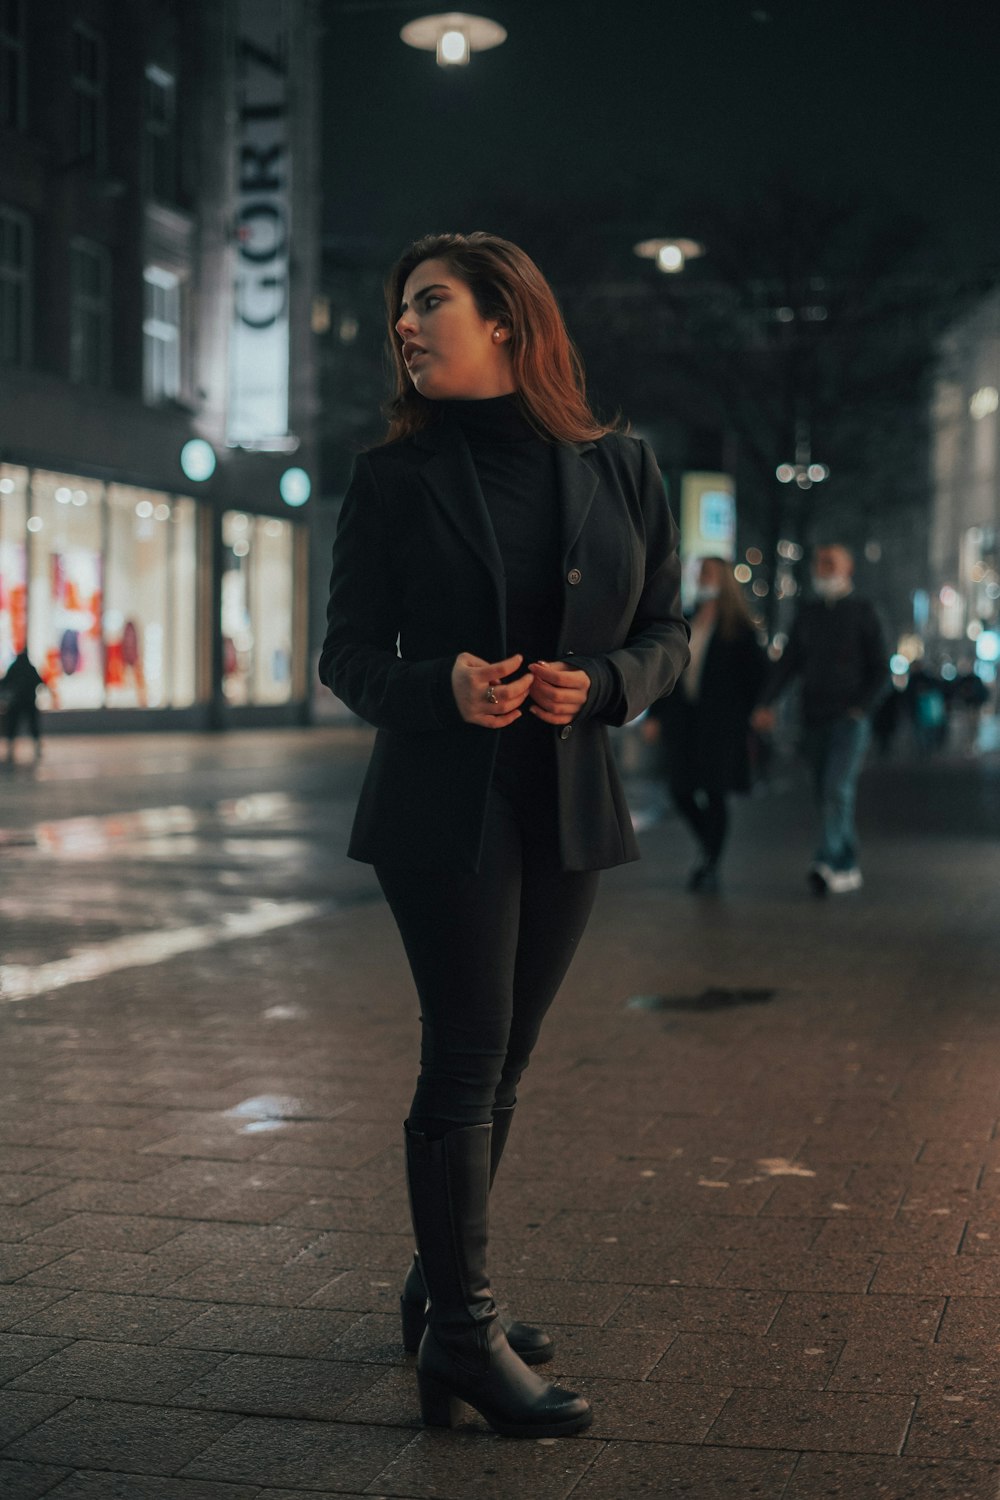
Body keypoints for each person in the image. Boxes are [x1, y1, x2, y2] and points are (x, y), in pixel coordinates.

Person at [318, 232, 689, 1438]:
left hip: (567, 798)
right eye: (400, 311)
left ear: (509, 324)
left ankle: (440, 1294)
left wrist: (609, 683)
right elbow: (349, 657)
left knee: (508, 1057)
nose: (406, 328)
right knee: (466, 1055)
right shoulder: (393, 478)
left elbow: (671, 631)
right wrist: (444, 688)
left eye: (428, 303)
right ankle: (466, 1339)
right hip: (444, 804)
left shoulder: (621, 468)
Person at [751, 543, 886, 895]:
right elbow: (789, 663)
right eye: (820, 562)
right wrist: (766, 703)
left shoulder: (864, 612)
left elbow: (880, 668)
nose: (823, 569)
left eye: (831, 563)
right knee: (825, 792)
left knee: (835, 788)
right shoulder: (808, 614)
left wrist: (860, 706)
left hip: (848, 720)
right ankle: (847, 862)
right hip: (813, 718)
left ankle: (825, 862)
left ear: (848, 568)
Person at [643, 556, 767, 891]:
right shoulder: (687, 620)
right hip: (685, 722)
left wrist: (757, 711)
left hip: (723, 724)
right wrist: (656, 715)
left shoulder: (739, 628)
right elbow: (667, 671)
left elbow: (757, 677)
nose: (702, 578)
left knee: (715, 792)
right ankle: (708, 848)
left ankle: (710, 861)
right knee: (680, 789)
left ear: (724, 579)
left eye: (708, 573)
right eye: (700, 573)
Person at [0, 650, 44, 764]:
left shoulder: (14, 668)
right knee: (32, 725)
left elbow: (5, 682)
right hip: (28, 703)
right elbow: (40, 681)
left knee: (13, 725)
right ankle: (36, 746)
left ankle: (11, 747)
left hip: (16, 703)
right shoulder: (30, 668)